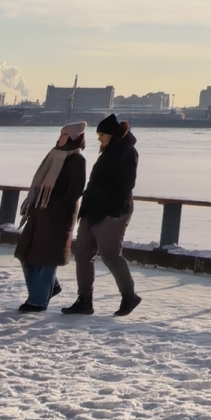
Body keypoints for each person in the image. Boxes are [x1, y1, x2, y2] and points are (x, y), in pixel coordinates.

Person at [67, 114, 140, 316]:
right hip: (92, 209)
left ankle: (129, 296)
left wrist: (114, 209)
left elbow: (127, 185)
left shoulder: (127, 152)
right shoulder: (107, 152)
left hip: (112, 211)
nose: (99, 138)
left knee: (110, 254)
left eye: (101, 134)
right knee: (81, 252)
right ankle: (84, 300)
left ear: (111, 134)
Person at [15, 124, 86, 313]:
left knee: (46, 257)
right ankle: (50, 287)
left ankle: (38, 300)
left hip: (58, 215)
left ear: (72, 138)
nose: (60, 138)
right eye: (61, 134)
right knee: (26, 253)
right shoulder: (53, 156)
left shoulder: (77, 159)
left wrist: (58, 203)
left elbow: (77, 189)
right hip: (39, 211)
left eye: (64, 135)